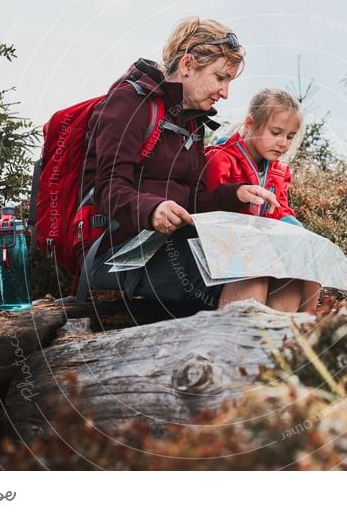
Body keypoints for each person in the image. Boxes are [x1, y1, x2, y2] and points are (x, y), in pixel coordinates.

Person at [77, 17, 280, 314]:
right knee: (249, 267)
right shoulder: (128, 104)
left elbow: (192, 202)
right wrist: (153, 209)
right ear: (187, 65)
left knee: (288, 273)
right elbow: (107, 189)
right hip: (119, 252)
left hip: (171, 243)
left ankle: (280, 359)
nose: (225, 93)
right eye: (220, 78)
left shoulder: (191, 122)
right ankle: (235, 356)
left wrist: (234, 194)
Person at [203, 88, 321, 313]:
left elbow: (281, 211)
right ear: (250, 124)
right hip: (230, 251)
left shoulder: (280, 171)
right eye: (276, 132)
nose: (283, 143)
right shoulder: (220, 159)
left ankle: (297, 334)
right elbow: (209, 208)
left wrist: (294, 228)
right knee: (266, 269)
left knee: (308, 271)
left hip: (267, 251)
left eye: (289, 136)